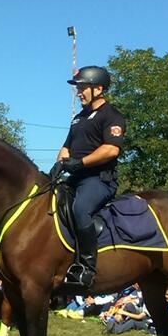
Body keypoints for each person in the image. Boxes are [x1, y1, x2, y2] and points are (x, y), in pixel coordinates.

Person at [49, 65, 125, 287]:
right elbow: (66, 147)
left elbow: (111, 149)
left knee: (80, 209)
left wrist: (80, 163)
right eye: (78, 88)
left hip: (98, 180)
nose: (79, 92)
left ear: (98, 89)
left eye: (83, 87)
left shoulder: (112, 115)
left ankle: (86, 267)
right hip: (74, 177)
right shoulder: (78, 118)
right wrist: (59, 164)